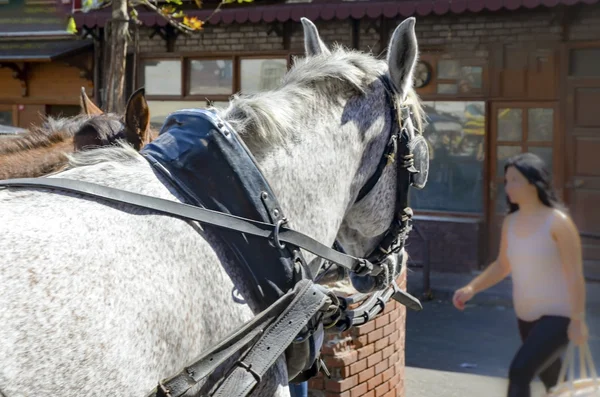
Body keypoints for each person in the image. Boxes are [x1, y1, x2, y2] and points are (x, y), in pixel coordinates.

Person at [452, 152, 589, 397]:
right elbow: (502, 265)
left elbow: (575, 276)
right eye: (507, 181)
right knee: (554, 383)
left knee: (520, 372)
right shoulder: (511, 222)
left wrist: (578, 320)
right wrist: (472, 288)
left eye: (515, 180)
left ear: (533, 182)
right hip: (526, 318)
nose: (508, 186)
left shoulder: (558, 223)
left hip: (558, 317)